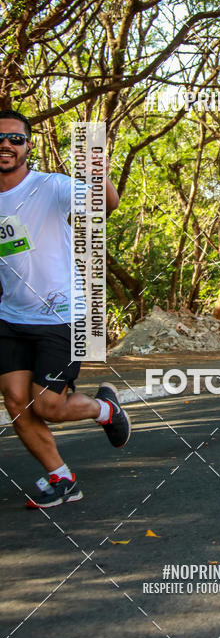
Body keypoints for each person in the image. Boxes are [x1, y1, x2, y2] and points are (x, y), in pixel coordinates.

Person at [0, 109, 131, 509]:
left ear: (28, 146)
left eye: (15, 139)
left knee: (48, 406)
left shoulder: (51, 187)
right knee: (15, 401)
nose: (5, 145)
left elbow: (105, 206)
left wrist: (100, 171)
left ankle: (105, 409)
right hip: (10, 317)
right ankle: (62, 479)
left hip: (62, 315)